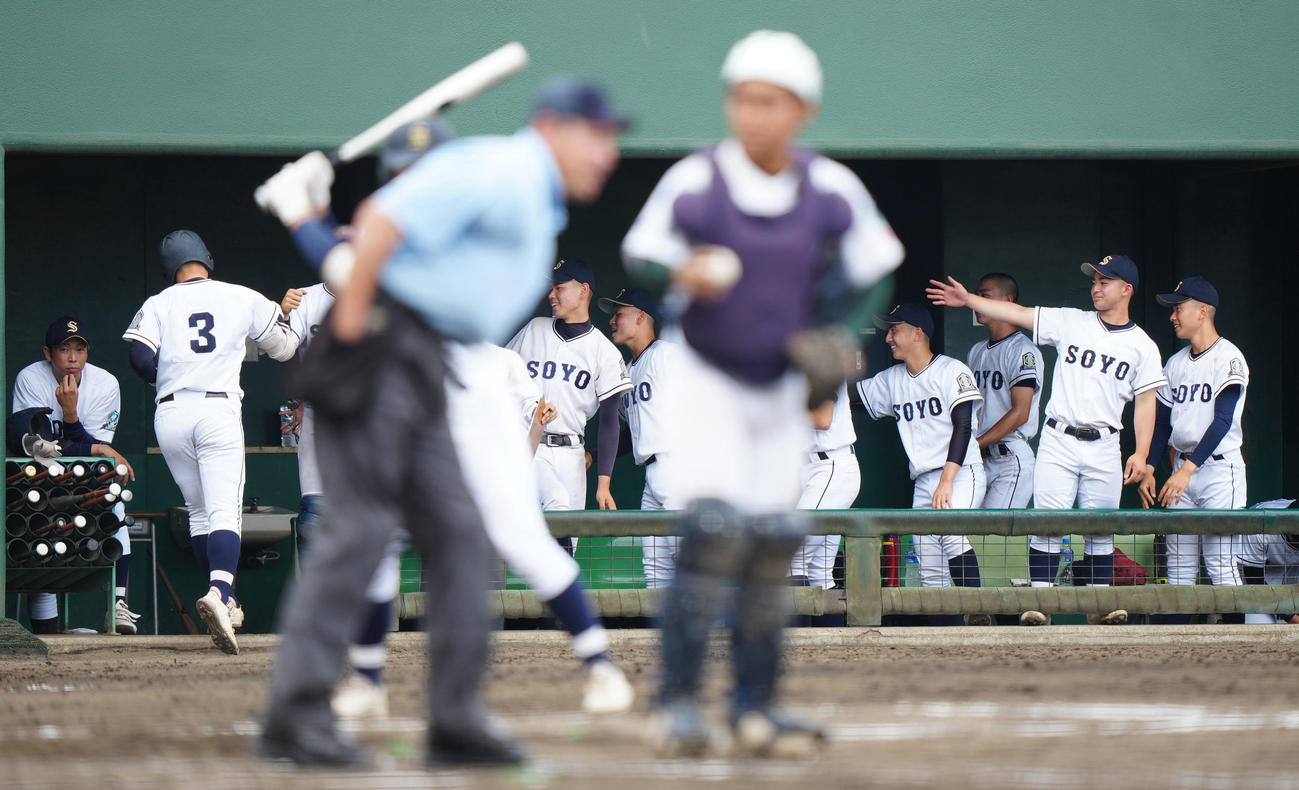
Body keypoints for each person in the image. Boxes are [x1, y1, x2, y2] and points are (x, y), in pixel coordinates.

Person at [254, 78, 629, 769]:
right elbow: (383, 225)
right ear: (550, 128)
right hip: (383, 353)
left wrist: (305, 215)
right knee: (360, 532)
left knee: (460, 535)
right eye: (596, 136)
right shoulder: (501, 169)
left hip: (429, 361)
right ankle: (296, 714)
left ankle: (455, 718)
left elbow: (375, 226)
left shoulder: (529, 190)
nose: (608, 154)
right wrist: (353, 314)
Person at [621, 30, 904, 755]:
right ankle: (674, 703)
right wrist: (681, 272)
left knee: (774, 540)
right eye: (742, 99)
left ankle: (755, 708)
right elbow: (642, 253)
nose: (752, 115)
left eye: (769, 102)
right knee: (712, 529)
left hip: (779, 388)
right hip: (708, 378)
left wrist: (838, 331)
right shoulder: (699, 179)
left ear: (801, 109)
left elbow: (877, 266)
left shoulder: (827, 187)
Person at [928, 254, 1165, 625]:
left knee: (1101, 528)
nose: (1096, 287)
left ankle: (1099, 607)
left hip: (1106, 442)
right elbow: (1019, 313)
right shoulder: (1073, 321)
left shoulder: (1143, 345)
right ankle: (1040, 602)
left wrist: (1141, 452)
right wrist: (970, 300)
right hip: (1059, 437)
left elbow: (1146, 404)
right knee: (1046, 523)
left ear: (1126, 289)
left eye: (1105, 281)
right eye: (1094, 281)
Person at [122, 231, 299, 652]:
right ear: (208, 257)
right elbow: (286, 350)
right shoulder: (242, 296)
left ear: (169, 269)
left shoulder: (158, 302)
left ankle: (226, 597)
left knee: (200, 513)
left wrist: (168, 377)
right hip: (217, 409)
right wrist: (286, 314)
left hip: (170, 414)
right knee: (223, 511)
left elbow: (139, 358)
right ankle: (220, 594)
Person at [855, 304, 985, 612]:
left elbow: (963, 426)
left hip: (962, 472)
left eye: (894, 330)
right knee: (929, 566)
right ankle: (942, 646)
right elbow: (853, 397)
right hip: (925, 478)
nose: (888, 338)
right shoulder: (892, 379)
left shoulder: (951, 370)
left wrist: (947, 481)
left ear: (917, 333)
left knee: (953, 536)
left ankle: (977, 614)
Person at [12, 316, 138, 634]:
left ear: (87, 352)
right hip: (37, 480)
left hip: (84, 480)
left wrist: (71, 416)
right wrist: (91, 447)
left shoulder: (105, 383)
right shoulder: (30, 378)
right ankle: (49, 635)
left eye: (79, 349)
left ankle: (119, 604)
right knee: (39, 540)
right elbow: (33, 447)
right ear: (48, 353)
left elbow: (86, 453)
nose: (72, 357)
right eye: (63, 348)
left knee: (115, 503)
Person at [1139, 277, 1247, 596]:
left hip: (1216, 470)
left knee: (1221, 566)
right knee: (1179, 570)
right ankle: (1177, 647)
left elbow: (1223, 421)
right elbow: (1161, 425)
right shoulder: (1175, 363)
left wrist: (1188, 471)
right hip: (1181, 472)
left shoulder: (1228, 357)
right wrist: (1150, 467)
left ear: (1202, 311)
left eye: (1179, 308)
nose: (1173, 316)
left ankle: (1240, 647)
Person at [507, 258, 632, 529]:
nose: (552, 295)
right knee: (548, 511)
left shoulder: (604, 351)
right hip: (529, 446)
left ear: (583, 291)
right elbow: (500, 376)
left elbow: (610, 421)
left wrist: (604, 484)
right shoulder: (534, 329)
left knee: (566, 542)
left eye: (559, 287)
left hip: (571, 455)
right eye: (552, 288)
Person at [599, 287, 682, 588]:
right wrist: (594, 455)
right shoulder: (628, 371)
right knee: (656, 571)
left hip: (679, 467)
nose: (612, 320)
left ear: (641, 317)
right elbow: (629, 434)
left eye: (619, 314)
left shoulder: (668, 356)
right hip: (651, 473)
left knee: (686, 564)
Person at [965, 273, 1041, 509]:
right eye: (975, 296)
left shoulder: (1023, 351)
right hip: (979, 457)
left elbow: (1021, 412)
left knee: (993, 540)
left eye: (984, 296)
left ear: (1008, 300)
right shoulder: (976, 351)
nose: (977, 302)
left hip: (1009, 458)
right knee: (962, 532)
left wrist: (975, 443)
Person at [792, 383, 859, 594]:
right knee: (818, 571)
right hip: (811, 468)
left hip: (830, 467)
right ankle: (831, 630)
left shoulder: (823, 359)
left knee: (793, 556)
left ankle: (797, 629)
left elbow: (822, 418)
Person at [1235, 500, 1299, 624]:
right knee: (1258, 624)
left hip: (1293, 570)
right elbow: (1255, 581)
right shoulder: (1260, 525)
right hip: (1260, 573)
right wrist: (1292, 618)